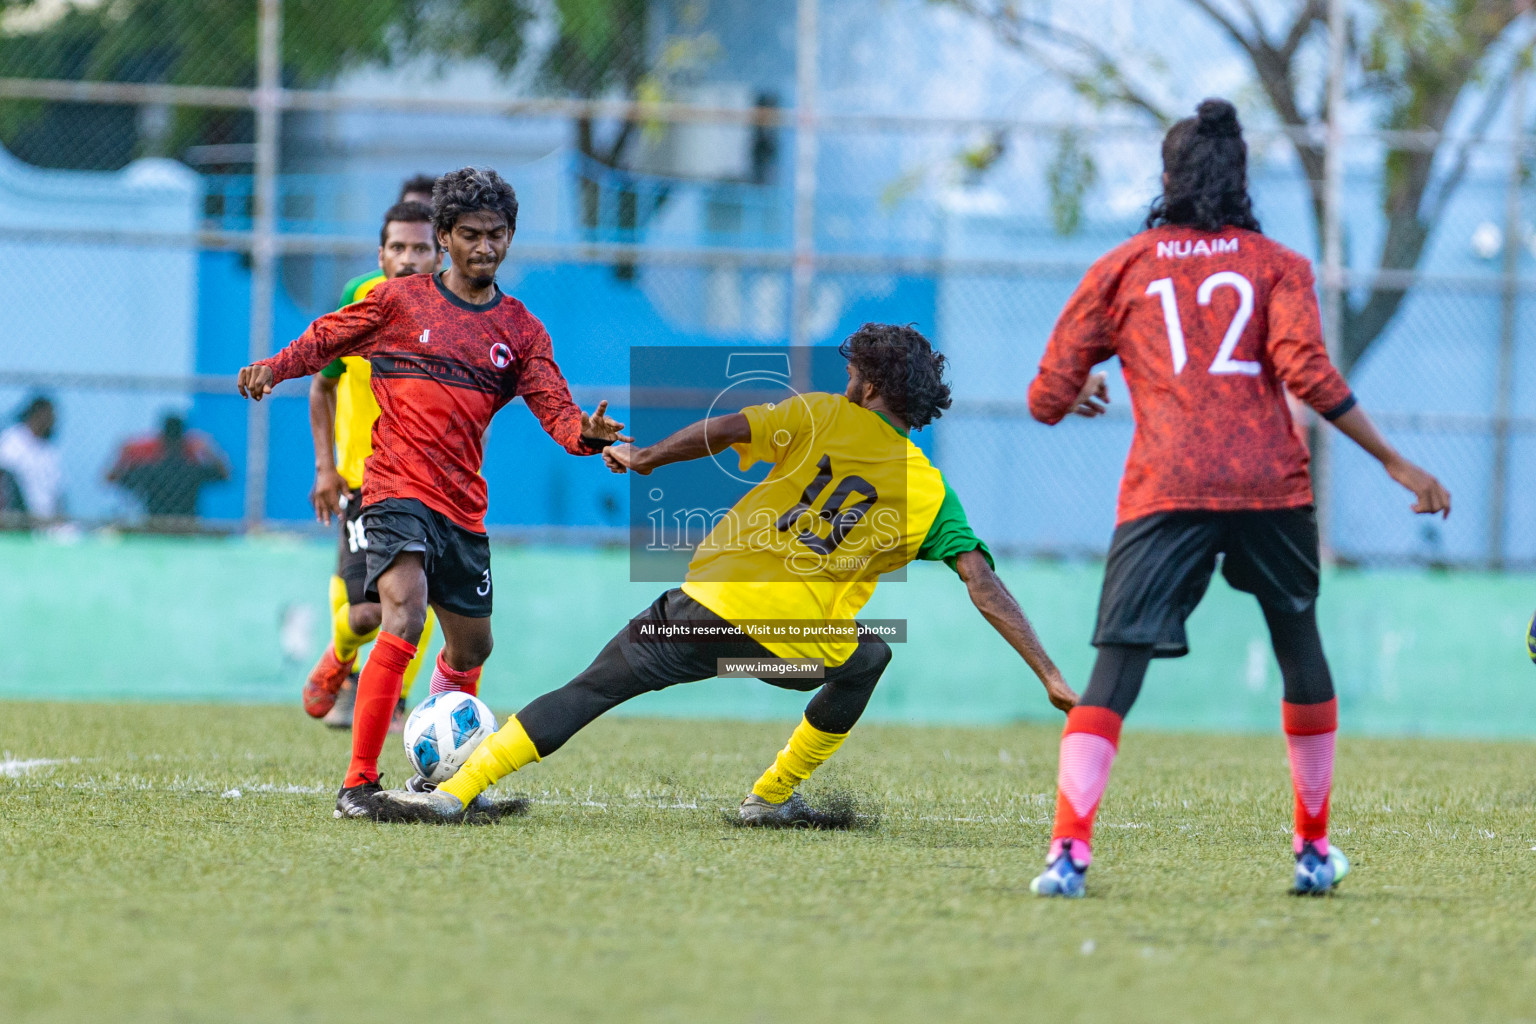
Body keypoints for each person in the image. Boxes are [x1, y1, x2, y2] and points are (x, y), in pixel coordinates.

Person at [372, 323, 1078, 827]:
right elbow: (982, 583)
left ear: (868, 383)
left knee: (589, 689)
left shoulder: (820, 414)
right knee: (868, 656)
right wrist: (1048, 672)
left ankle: (454, 793)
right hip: (785, 643)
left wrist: (647, 457)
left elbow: (728, 429)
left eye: (853, 372)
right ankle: (771, 796)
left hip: (701, 607)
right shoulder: (931, 490)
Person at [1024, 99, 1451, 898]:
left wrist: (1082, 383)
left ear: (1167, 177)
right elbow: (1308, 373)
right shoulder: (1275, 265)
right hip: (1268, 483)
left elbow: (1046, 397)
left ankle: (1069, 853)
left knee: (1114, 667)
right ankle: (1313, 850)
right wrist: (1394, 460)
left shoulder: (1124, 268)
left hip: (1167, 482)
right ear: (1241, 176)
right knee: (1299, 646)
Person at [236, 166, 630, 819]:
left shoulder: (520, 330)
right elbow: (325, 339)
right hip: (392, 489)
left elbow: (554, 408)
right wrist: (273, 370)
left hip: (461, 506)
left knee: (473, 647)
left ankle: (435, 777)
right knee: (404, 614)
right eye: (471, 234)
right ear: (443, 236)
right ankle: (357, 785)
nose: (485, 247)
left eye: (497, 235)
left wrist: (586, 435)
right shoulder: (398, 302)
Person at [303, 199, 443, 731]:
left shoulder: (462, 313)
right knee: (367, 614)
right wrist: (326, 467)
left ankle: (392, 698)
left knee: (424, 603)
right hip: (367, 484)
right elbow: (323, 383)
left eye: (421, 248)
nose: (409, 259)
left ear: (440, 253)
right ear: (381, 254)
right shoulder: (358, 298)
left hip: (432, 487)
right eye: (399, 248)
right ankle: (341, 654)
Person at [107, 414, 229, 523]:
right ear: (184, 439)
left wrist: (123, 457)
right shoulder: (193, 470)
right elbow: (225, 475)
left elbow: (111, 478)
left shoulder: (149, 470)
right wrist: (209, 451)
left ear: (161, 438)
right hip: (187, 524)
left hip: (154, 523)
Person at [0, 395, 64, 524]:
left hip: (47, 518)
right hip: (19, 517)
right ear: (37, 414)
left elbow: (59, 492)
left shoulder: (49, 451)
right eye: (49, 415)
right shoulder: (12, 440)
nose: (53, 421)